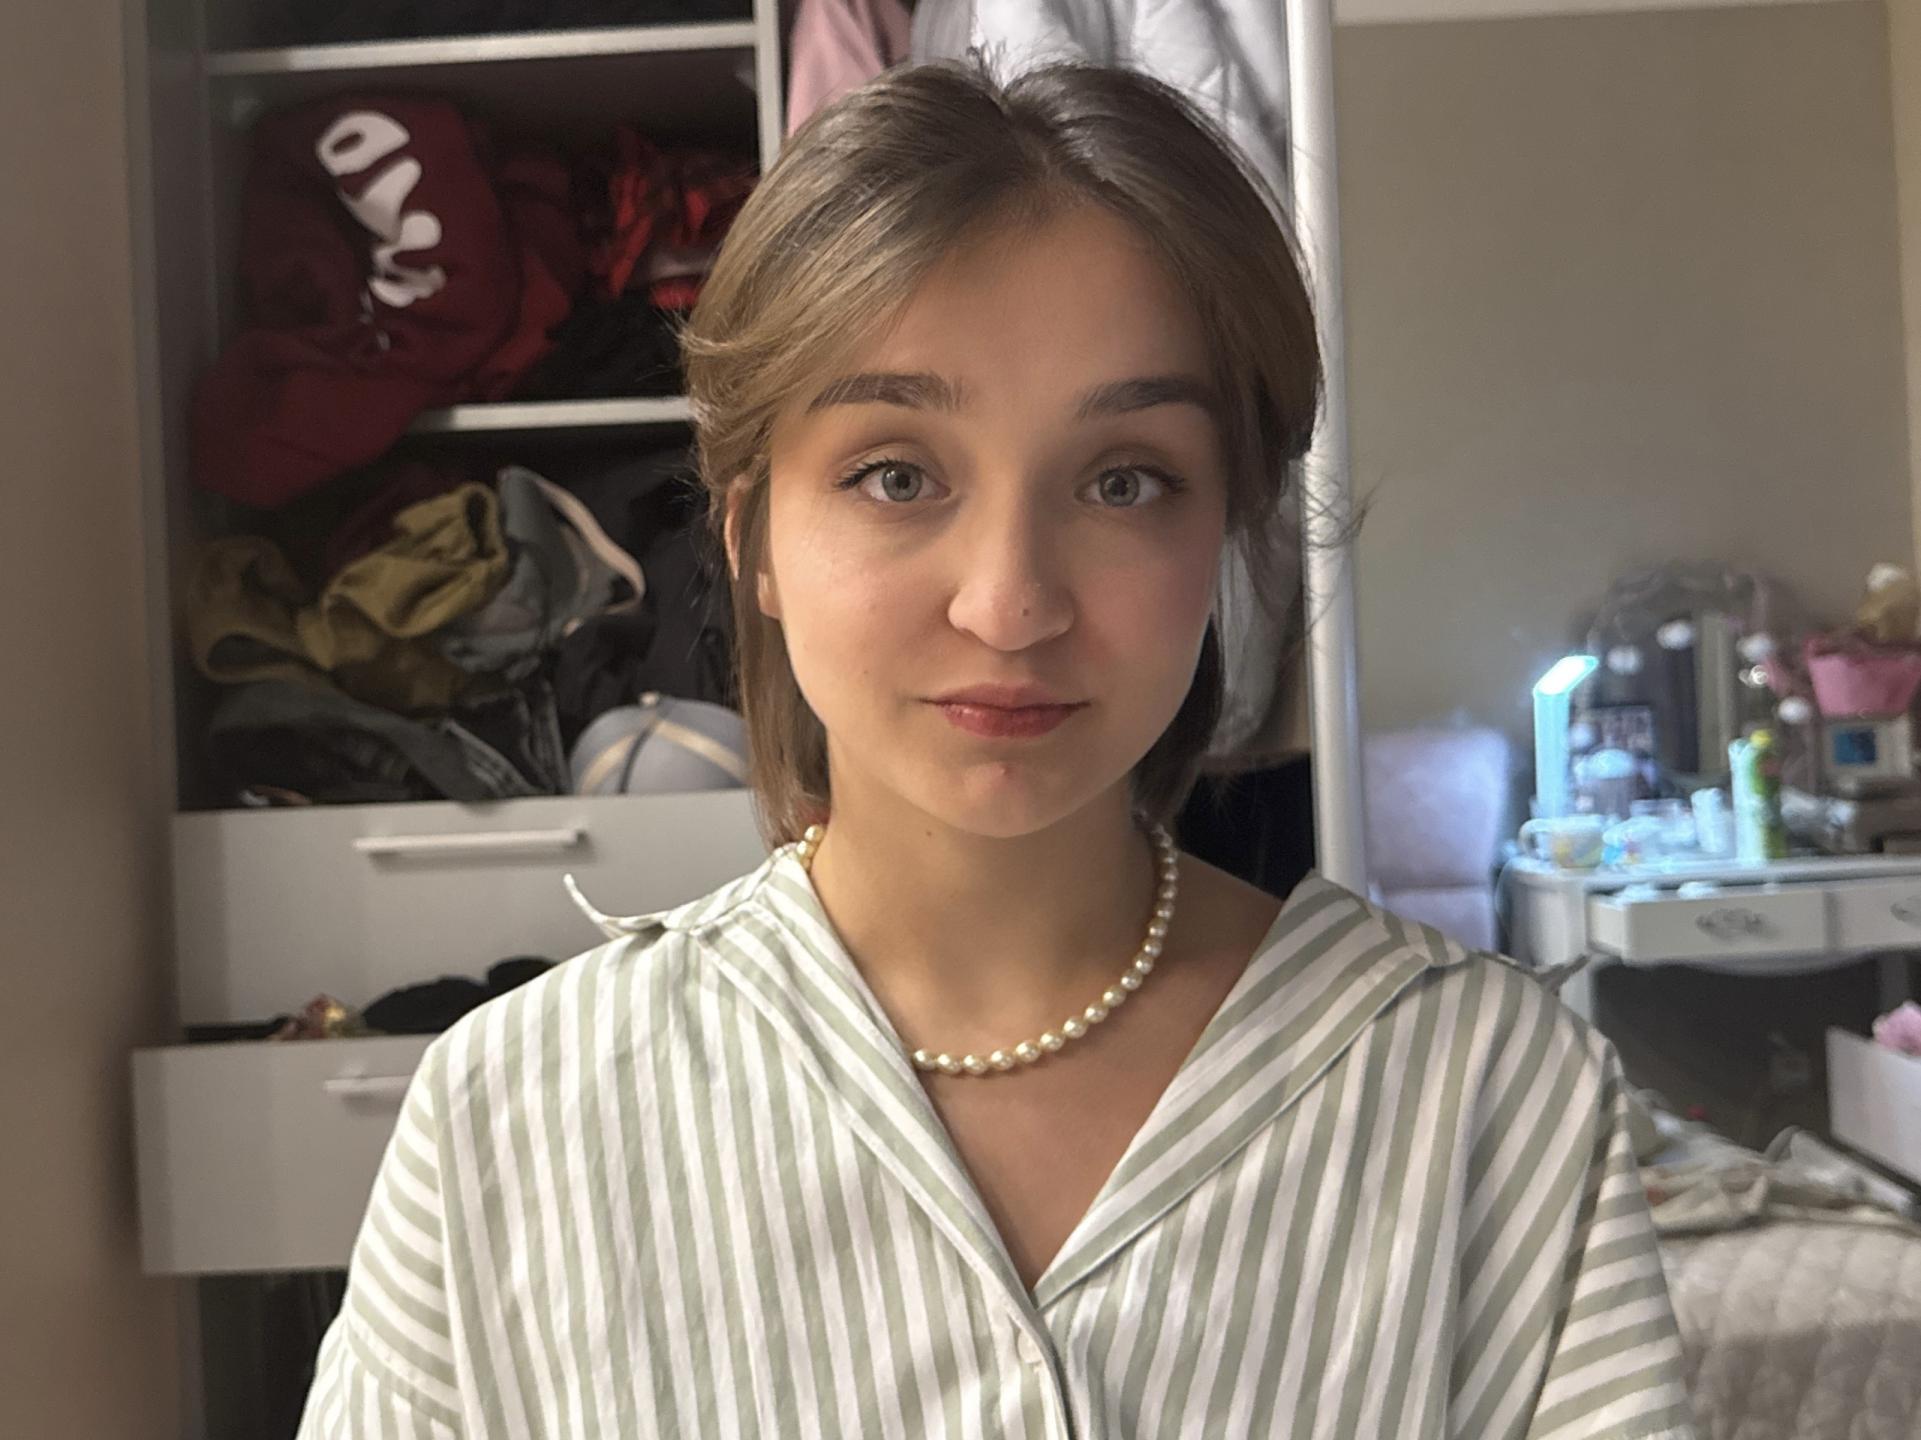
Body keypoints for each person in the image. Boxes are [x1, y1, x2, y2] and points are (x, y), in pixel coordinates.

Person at [296, 58, 1697, 1440]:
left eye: (1123, 480)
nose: (1010, 603)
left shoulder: (1486, 1092)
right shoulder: (508, 1122)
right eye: (896, 475)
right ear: (751, 536)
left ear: (1223, 530)